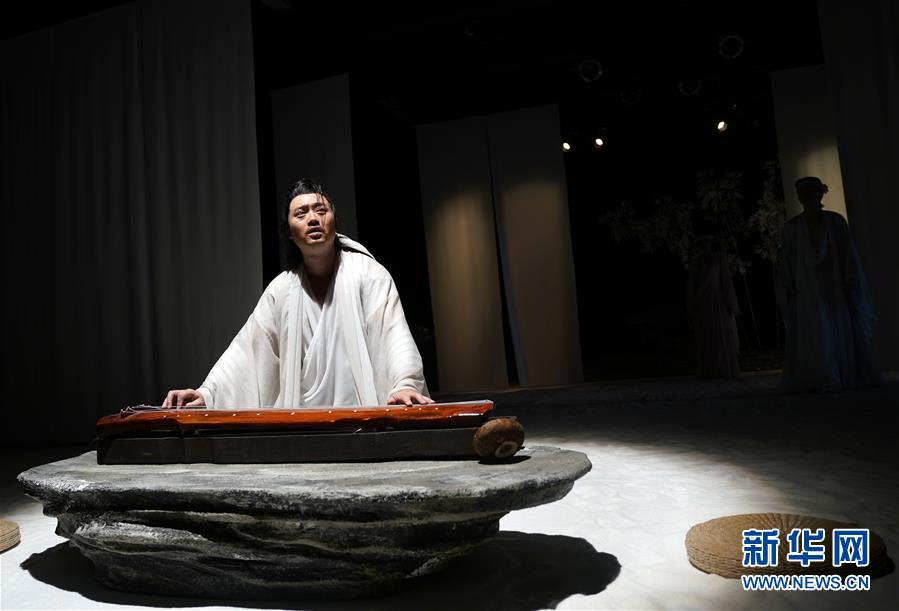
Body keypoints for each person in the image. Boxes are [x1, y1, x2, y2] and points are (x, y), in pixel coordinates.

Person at [163, 178, 434, 408]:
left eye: (320, 210)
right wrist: (207, 394)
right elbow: (248, 351)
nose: (313, 219)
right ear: (289, 233)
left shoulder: (369, 274)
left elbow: (393, 334)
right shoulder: (281, 290)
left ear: (334, 222)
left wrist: (405, 383)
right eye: (301, 213)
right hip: (304, 420)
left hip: (361, 414)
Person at [776, 176, 881, 392]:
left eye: (811, 192)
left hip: (834, 285)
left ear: (820, 194)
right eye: (803, 193)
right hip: (807, 287)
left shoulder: (835, 222)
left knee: (836, 326)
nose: (807, 197)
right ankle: (820, 375)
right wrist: (787, 286)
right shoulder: (792, 228)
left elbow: (848, 255)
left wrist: (850, 282)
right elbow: (787, 260)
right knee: (816, 329)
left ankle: (839, 374)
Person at [686, 235, 741, 379]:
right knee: (706, 334)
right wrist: (692, 305)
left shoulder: (719, 260)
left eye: (708, 242)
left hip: (717, 302)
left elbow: (726, 283)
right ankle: (708, 369)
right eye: (703, 242)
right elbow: (692, 286)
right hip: (703, 303)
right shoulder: (696, 263)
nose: (706, 245)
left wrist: (730, 304)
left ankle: (721, 368)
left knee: (719, 333)